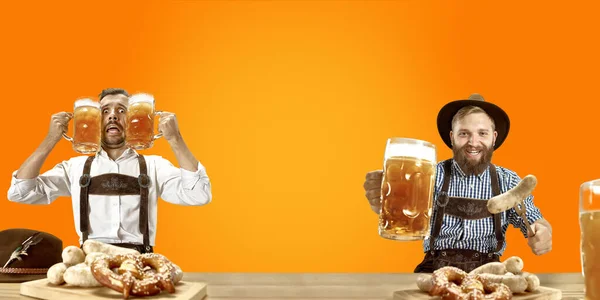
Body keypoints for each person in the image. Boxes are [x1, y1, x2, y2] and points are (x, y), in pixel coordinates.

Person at [363, 93, 552, 273]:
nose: (473, 142)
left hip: (490, 271)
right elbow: (406, 210)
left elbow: (537, 221)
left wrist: (542, 233)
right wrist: (386, 202)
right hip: (435, 268)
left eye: (482, 133)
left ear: (493, 138)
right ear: (452, 137)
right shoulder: (429, 175)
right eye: (464, 133)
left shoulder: (508, 180)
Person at [7, 88, 212, 254]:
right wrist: (51, 138)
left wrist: (175, 139)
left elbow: (199, 194)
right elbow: (20, 192)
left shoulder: (154, 166)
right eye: (105, 111)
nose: (113, 116)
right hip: (88, 263)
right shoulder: (75, 167)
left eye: (121, 110)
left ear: (134, 118)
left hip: (141, 263)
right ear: (95, 119)